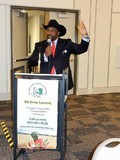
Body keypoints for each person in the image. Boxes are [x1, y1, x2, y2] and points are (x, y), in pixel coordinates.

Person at [28, 19, 90, 90]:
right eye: (48, 30)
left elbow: (81, 49)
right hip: (45, 82)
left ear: (58, 33)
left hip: (62, 81)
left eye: (52, 30)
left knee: (60, 101)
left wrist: (85, 35)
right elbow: (31, 61)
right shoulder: (40, 45)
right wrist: (44, 55)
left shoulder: (67, 43)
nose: (49, 32)